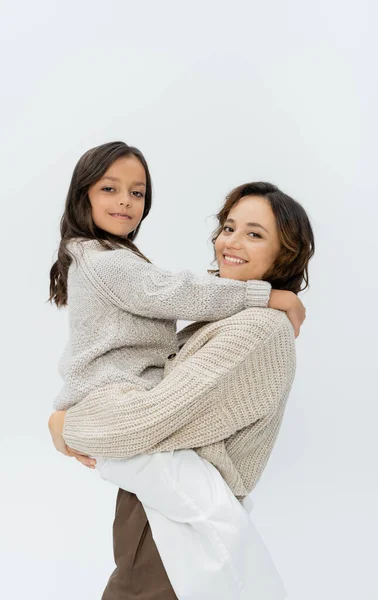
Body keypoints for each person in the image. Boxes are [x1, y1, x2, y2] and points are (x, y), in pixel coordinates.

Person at [48, 141, 312, 598]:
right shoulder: (108, 262)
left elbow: (145, 422)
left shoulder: (257, 330)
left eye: (254, 234)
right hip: (160, 512)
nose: (230, 241)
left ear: (286, 253)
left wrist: (67, 425)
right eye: (228, 227)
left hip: (174, 528)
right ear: (83, 196)